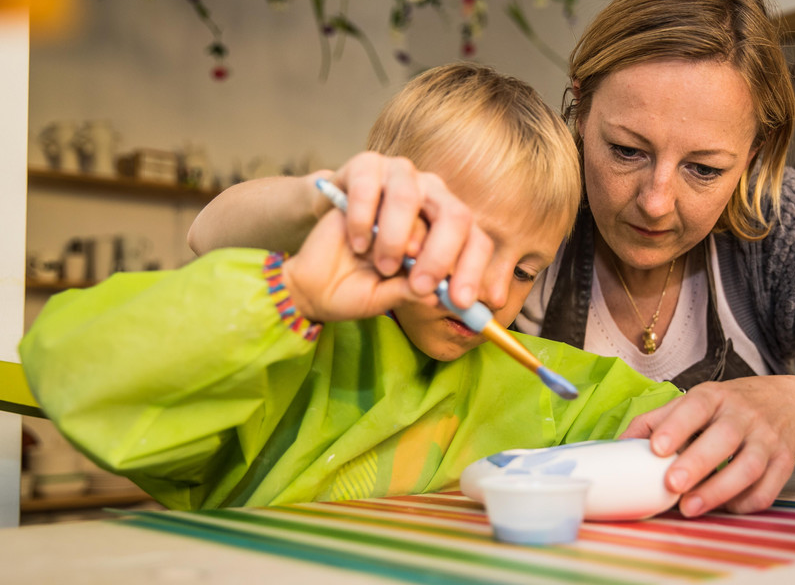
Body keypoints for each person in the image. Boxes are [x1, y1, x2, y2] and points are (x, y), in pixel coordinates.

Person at [190, 0, 795, 517]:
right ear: (579, 108)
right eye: (625, 150)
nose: (656, 200)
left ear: (755, 154)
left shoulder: (774, 219)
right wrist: (325, 197)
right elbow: (209, 234)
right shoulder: (532, 207)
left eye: (704, 169)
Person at [19, 62, 681, 510]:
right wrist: (295, 296)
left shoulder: (540, 391)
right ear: (386, 211)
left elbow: (670, 424)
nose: (491, 292)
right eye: (466, 244)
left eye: (525, 270)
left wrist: (759, 410)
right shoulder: (281, 340)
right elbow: (70, 366)